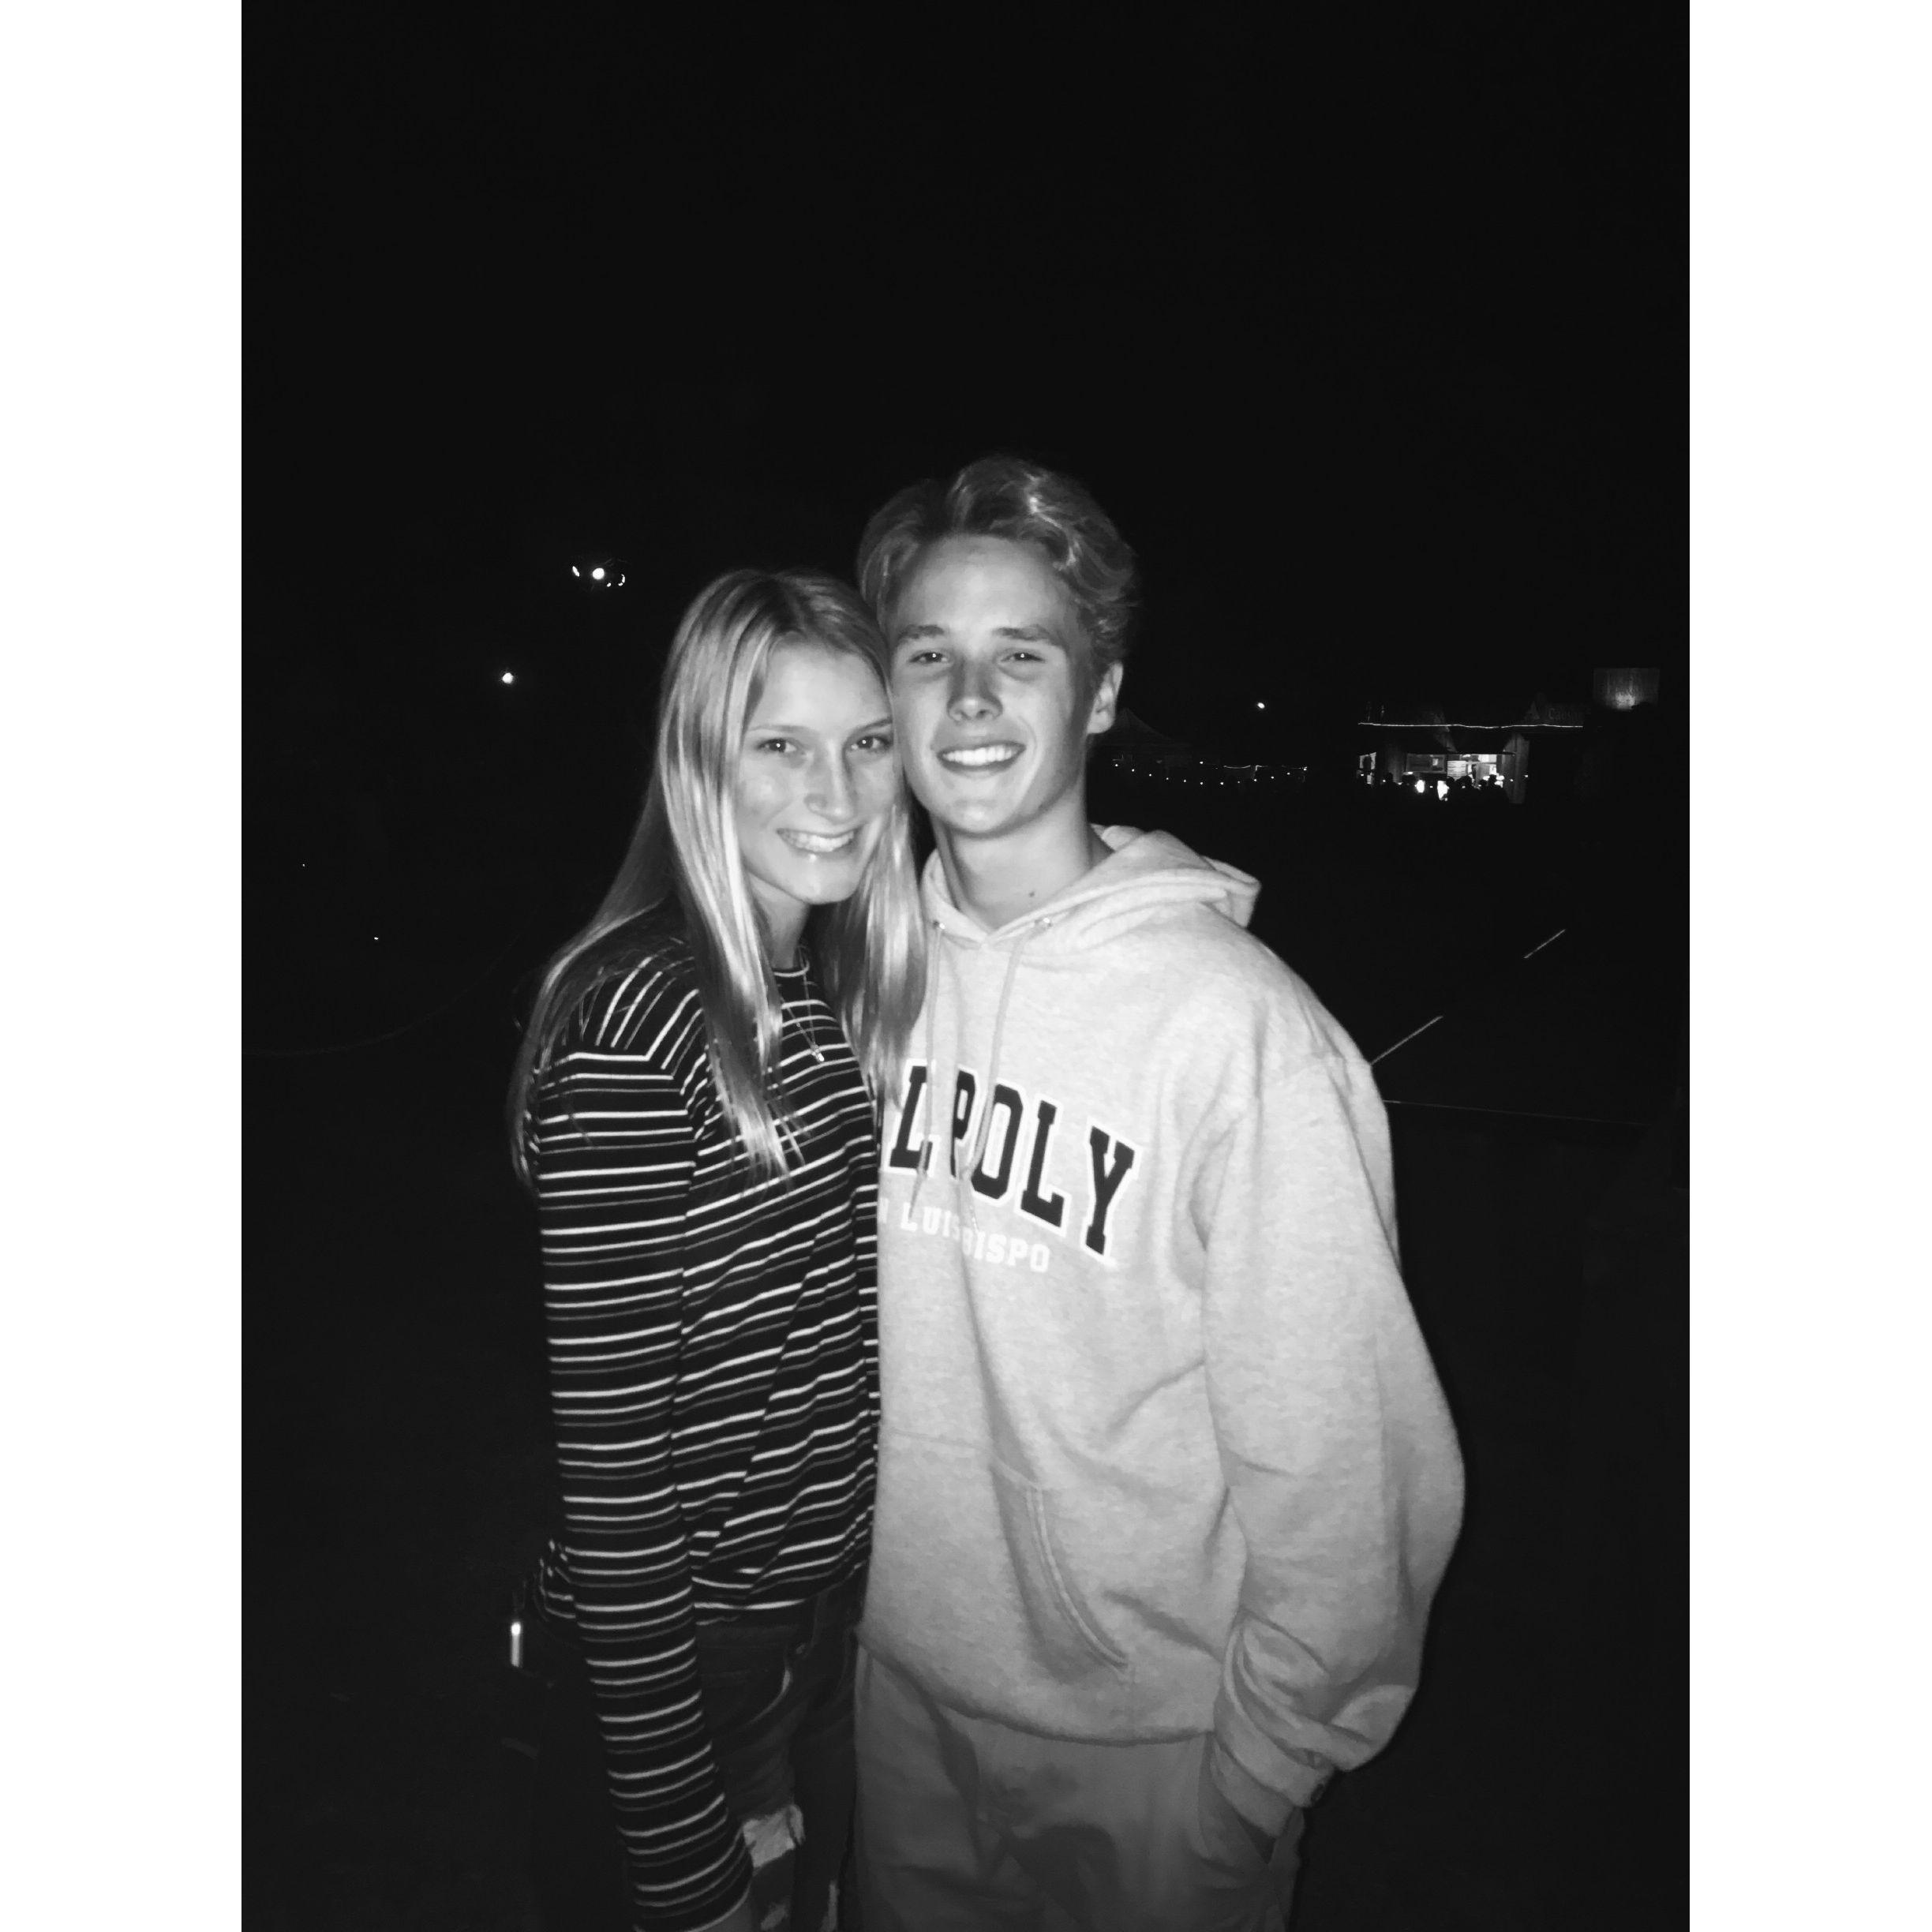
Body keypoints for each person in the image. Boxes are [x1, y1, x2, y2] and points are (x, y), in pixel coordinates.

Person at [848, 458, 1466, 1931]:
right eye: (929, 655)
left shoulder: (1239, 1033)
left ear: (1104, 695)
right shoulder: (867, 991)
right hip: (903, 1711)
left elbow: (1347, 1454)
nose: (972, 698)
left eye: (1023, 655)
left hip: (1159, 1758)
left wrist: (1262, 1771)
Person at [504, 569, 924, 1932]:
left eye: (867, 742)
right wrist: (683, 1852)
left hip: (816, 1630)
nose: (836, 792)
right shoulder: (642, 1024)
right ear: (699, 760)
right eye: (780, 744)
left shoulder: (824, 992)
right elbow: (614, 1480)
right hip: (686, 1671)